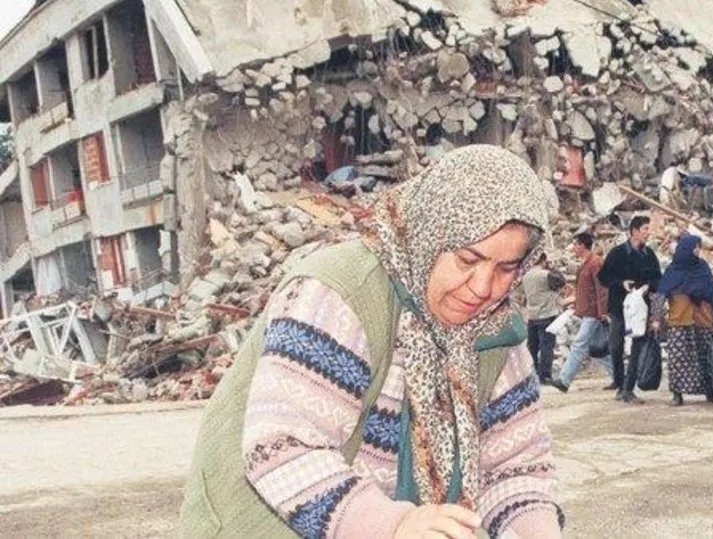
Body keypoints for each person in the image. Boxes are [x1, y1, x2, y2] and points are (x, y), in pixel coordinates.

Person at [179, 146, 563, 539]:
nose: (483, 287)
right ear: (430, 234)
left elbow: (517, 468)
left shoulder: (496, 330)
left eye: (506, 268)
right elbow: (282, 446)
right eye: (467, 260)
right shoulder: (340, 294)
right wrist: (392, 526)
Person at [599, 215, 663, 403]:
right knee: (616, 346)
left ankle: (628, 388)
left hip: (641, 308)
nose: (648, 233)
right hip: (619, 307)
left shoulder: (649, 255)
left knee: (637, 345)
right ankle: (620, 384)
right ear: (634, 231)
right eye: (645, 229)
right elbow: (603, 276)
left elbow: (658, 279)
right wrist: (621, 283)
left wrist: (648, 287)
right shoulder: (617, 253)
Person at [655, 234, 713, 406]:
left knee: (705, 358)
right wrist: (656, 317)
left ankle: (710, 392)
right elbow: (660, 294)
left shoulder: (702, 267)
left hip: (703, 321)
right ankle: (677, 395)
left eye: (698, 247)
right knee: (677, 359)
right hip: (679, 321)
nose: (697, 251)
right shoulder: (673, 270)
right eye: (695, 248)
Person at [550, 232, 614, 392]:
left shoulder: (595, 263)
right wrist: (577, 305)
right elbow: (585, 290)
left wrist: (603, 311)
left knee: (579, 344)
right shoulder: (585, 263)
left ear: (582, 245)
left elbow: (602, 288)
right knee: (600, 349)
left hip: (593, 313)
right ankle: (620, 378)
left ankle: (564, 380)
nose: (573, 248)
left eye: (575, 244)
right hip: (587, 311)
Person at [522, 253, 566, 384]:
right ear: (543, 260)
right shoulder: (546, 275)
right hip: (547, 314)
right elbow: (561, 281)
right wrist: (552, 268)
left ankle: (532, 374)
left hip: (532, 315)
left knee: (533, 347)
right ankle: (545, 376)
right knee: (547, 346)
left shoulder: (526, 276)